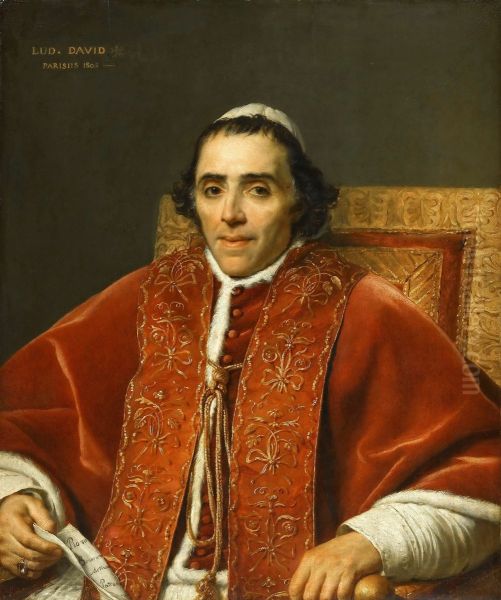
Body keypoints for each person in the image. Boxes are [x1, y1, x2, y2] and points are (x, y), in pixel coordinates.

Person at [0, 104, 499, 600]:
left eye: (258, 189)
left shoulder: (367, 307)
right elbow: (29, 418)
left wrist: (369, 542)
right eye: (213, 189)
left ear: (298, 201)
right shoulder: (146, 295)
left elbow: (478, 467)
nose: (230, 214)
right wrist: (16, 497)